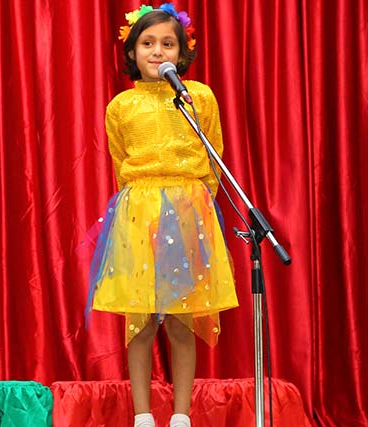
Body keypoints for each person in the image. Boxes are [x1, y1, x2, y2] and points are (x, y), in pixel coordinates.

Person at [87, 4, 238, 427]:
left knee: (180, 319)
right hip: (138, 213)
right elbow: (120, 161)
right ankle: (142, 416)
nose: (157, 52)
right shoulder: (121, 106)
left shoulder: (199, 97)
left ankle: (181, 416)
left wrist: (196, 208)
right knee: (139, 322)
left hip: (188, 211)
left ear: (183, 51)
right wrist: (143, 203)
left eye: (168, 43)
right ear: (131, 52)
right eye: (148, 43)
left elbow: (213, 154)